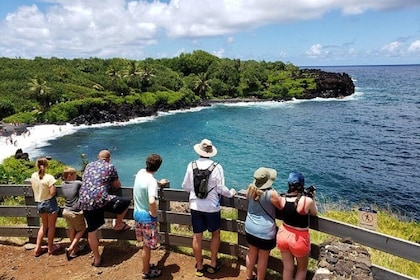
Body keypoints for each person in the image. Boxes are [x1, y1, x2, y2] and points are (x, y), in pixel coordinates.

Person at [182, 139, 236, 277]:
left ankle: (199, 266)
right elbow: (221, 188)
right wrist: (231, 193)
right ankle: (212, 264)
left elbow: (186, 186)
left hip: (195, 205)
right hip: (212, 207)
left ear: (199, 150)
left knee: (197, 236)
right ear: (211, 152)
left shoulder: (191, 165)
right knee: (215, 234)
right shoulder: (217, 167)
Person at [79, 150, 131, 267]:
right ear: (109, 159)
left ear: (98, 157)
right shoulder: (110, 166)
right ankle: (118, 224)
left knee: (92, 230)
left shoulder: (89, 165)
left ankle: (97, 259)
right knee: (126, 202)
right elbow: (117, 184)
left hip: (84, 200)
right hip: (100, 199)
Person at [276, 172, 318, 280]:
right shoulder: (306, 201)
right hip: (299, 239)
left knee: (287, 268)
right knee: (302, 269)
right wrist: (312, 198)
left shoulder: (282, 198)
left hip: (283, 235)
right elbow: (314, 213)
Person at [133, 154, 166, 279]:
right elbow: (152, 201)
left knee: (144, 245)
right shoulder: (151, 182)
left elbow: (146, 181)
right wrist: (154, 213)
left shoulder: (141, 172)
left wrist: (158, 182)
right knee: (147, 247)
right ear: (158, 167)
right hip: (147, 217)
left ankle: (146, 265)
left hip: (137, 214)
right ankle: (146, 272)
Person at [245, 167, 281, 280]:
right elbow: (281, 206)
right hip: (265, 231)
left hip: (250, 227)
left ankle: (248, 277)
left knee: (251, 253)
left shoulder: (250, 189)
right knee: (263, 258)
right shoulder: (271, 194)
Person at [30, 157, 60, 257]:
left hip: (39, 202)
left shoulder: (33, 176)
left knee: (44, 226)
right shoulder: (49, 178)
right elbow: (52, 192)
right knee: (51, 227)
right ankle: (51, 248)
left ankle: (37, 248)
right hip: (49, 202)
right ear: (46, 165)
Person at [61, 167, 86, 261]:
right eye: (75, 174)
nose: (77, 176)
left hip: (66, 211)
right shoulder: (77, 183)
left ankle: (75, 249)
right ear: (70, 175)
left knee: (72, 229)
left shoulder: (63, 184)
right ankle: (71, 248)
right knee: (82, 229)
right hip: (75, 212)